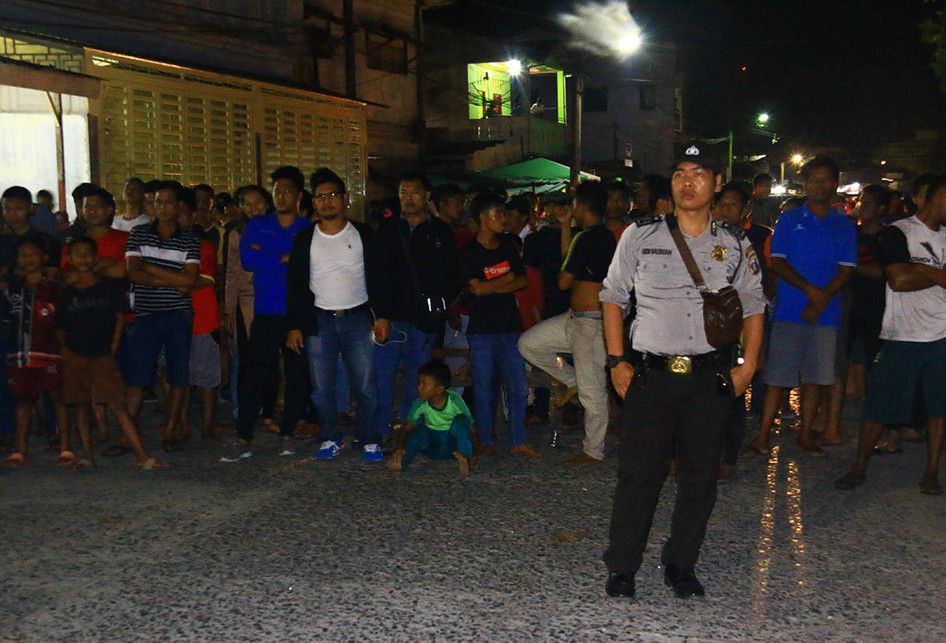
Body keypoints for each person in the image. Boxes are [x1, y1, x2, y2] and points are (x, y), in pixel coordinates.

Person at [600, 143, 764, 599]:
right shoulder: (641, 234)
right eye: (679, 174)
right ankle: (623, 566)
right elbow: (613, 297)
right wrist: (617, 361)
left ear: (715, 183)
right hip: (649, 377)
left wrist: (748, 367)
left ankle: (681, 563)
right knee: (639, 476)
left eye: (697, 174)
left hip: (709, 379)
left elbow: (753, 306)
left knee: (700, 479)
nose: (686, 182)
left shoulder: (733, 242)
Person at [835, 175, 946, 496]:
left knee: (939, 408)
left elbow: (906, 275)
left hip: (940, 334)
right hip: (902, 334)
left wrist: (919, 271)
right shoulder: (899, 232)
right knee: (878, 405)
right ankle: (859, 466)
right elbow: (897, 280)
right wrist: (936, 274)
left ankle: (932, 471)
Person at [743, 156, 856, 457]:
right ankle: (763, 436)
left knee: (816, 379)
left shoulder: (843, 225)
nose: (818, 185)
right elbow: (777, 262)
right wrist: (811, 293)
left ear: (834, 184)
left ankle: (805, 435)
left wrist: (820, 301)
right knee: (777, 377)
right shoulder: (790, 220)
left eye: (824, 179)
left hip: (827, 314)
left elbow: (846, 269)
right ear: (806, 184)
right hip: (790, 310)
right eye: (812, 179)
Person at [286, 167, 391, 463]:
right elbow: (295, 285)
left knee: (367, 386)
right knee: (321, 388)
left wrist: (382, 315)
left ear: (345, 199)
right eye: (321, 197)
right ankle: (330, 436)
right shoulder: (305, 239)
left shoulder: (363, 234)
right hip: (319, 320)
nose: (327, 201)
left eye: (333, 195)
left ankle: (369, 438)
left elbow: (379, 278)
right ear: (313, 202)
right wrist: (294, 325)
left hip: (358, 317)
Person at [519, 181, 616, 466]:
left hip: (591, 323)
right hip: (576, 320)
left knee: (593, 389)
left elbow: (563, 279)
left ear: (582, 207)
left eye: (573, 205)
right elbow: (568, 259)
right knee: (529, 344)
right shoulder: (598, 237)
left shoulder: (588, 238)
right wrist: (564, 226)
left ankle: (593, 450)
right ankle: (574, 383)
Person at [224, 167, 312, 462]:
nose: (281, 196)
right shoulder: (258, 225)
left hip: (297, 312)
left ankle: (287, 431)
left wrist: (270, 258)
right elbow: (249, 259)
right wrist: (286, 257)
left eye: (287, 191)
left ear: (298, 195)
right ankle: (243, 434)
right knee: (255, 374)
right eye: (277, 191)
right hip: (266, 310)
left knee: (297, 375)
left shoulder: (306, 229)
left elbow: (306, 265)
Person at [56, 238, 164, 470]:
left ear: (95, 258)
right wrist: (66, 352)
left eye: (87, 253)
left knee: (118, 405)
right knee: (81, 405)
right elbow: (60, 327)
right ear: (70, 259)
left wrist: (113, 348)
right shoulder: (66, 293)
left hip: (103, 354)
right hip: (76, 355)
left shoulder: (108, 286)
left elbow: (119, 319)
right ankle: (86, 454)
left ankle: (142, 456)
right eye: (77, 254)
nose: (83, 258)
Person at [375, 172, 458, 441]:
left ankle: (409, 429)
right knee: (382, 374)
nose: (407, 198)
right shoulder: (388, 229)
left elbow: (451, 275)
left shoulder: (441, 231)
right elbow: (378, 274)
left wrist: (438, 305)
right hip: (392, 316)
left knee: (418, 378)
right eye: (403, 192)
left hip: (424, 318)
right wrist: (380, 314)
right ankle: (381, 428)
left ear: (426, 196)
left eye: (414, 192)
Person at [124, 181, 200, 451]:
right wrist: (174, 281)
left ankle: (170, 429)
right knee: (138, 375)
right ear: (152, 206)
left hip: (178, 314)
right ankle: (128, 433)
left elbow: (190, 280)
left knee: (178, 374)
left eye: (168, 202)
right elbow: (133, 271)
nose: (163, 207)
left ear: (178, 205)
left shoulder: (190, 237)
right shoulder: (138, 233)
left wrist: (152, 269)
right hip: (146, 314)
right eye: (158, 202)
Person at [460, 193, 537, 457]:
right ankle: (486, 440)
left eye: (504, 213)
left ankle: (518, 439)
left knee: (518, 384)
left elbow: (521, 281)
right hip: (482, 329)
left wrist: (490, 286)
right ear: (482, 218)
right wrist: (503, 283)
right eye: (498, 213)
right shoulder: (470, 251)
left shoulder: (507, 246)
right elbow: (476, 289)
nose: (503, 218)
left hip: (509, 327)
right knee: (483, 387)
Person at [712, 181, 773, 478]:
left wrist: (753, 349)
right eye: (721, 203)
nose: (725, 209)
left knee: (732, 395)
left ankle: (727, 457)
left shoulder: (749, 242)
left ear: (745, 210)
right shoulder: (700, 236)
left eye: (732, 204)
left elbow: (756, 297)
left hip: (732, 331)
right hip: (699, 331)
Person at [2, 237, 70, 468]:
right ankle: (21, 450)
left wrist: (65, 350)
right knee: (23, 400)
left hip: (50, 352)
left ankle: (66, 447)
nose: (27, 259)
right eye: (23, 255)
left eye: (32, 254)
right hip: (20, 354)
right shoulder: (11, 289)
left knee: (57, 398)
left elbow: (63, 323)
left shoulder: (55, 289)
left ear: (44, 258)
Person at [177, 193, 223, 444]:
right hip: (172, 316)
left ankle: (207, 424)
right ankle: (181, 422)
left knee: (207, 378)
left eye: (182, 211)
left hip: (201, 318)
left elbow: (202, 281)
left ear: (193, 215)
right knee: (176, 375)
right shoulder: (160, 244)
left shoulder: (203, 245)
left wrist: (160, 277)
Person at [387, 360, 474, 477]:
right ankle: (401, 461)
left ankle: (467, 459)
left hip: (453, 448)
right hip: (433, 446)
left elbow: (472, 430)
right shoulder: (420, 403)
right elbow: (405, 429)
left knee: (461, 421)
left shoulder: (455, 401)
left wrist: (474, 453)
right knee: (418, 431)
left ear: (439, 389)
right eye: (419, 383)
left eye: (424, 383)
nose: (419, 387)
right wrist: (399, 447)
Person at [0, 186, 61, 279]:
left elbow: (50, 276)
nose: (12, 214)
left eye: (18, 208)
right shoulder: (3, 242)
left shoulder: (48, 242)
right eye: (7, 209)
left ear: (31, 208)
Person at [433, 183, 475, 250]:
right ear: (442, 204)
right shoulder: (431, 231)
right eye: (457, 203)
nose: (461, 207)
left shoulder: (463, 231)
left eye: (461, 203)